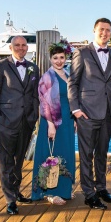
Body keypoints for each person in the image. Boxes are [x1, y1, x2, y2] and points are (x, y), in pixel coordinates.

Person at [68, 18, 111, 210]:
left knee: (102, 153)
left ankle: (101, 187)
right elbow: (72, 82)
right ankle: (88, 193)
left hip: (107, 112)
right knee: (86, 154)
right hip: (87, 113)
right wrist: (76, 110)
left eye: (108, 30)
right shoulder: (81, 53)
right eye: (101, 30)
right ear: (94, 31)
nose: (104, 33)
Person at [0, 36, 40, 215]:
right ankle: (10, 199)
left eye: (24, 45)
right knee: (6, 161)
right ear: (11, 47)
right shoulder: (0, 66)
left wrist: (34, 116)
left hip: (26, 122)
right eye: (17, 45)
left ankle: (16, 192)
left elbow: (34, 95)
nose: (21, 48)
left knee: (19, 161)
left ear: (27, 47)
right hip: (6, 122)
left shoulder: (33, 68)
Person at [31, 43, 75, 204]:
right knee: (50, 154)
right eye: (55, 58)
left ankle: (63, 189)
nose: (58, 61)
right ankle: (48, 192)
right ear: (50, 59)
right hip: (53, 121)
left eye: (61, 57)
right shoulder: (48, 77)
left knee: (65, 152)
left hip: (67, 121)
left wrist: (75, 119)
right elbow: (44, 103)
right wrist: (50, 124)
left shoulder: (67, 74)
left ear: (66, 58)